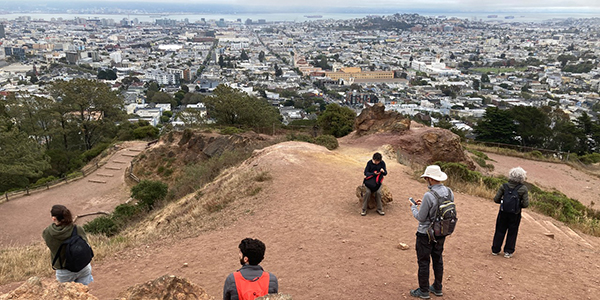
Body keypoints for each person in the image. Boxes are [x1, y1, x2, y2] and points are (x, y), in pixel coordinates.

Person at [409, 165, 454, 299]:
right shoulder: (449, 191)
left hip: (425, 234)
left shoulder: (429, 195)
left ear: (430, 179)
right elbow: (442, 210)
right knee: (437, 259)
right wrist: (425, 205)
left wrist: (413, 207)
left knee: (423, 261)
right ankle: (437, 287)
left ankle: (423, 291)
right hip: (441, 231)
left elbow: (421, 218)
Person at [42, 205, 93, 285]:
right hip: (83, 267)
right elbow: (86, 244)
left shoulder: (47, 232)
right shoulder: (77, 229)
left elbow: (51, 246)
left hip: (64, 271)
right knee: (83, 294)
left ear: (54, 218)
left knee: (67, 295)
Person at [492, 167, 529, 258]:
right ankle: (508, 251)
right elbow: (526, 204)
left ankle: (495, 250)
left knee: (500, 230)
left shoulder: (504, 186)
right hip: (515, 214)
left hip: (503, 212)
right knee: (512, 232)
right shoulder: (523, 189)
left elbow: (496, 199)